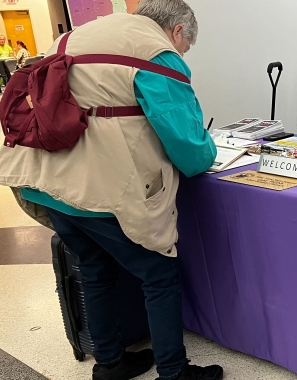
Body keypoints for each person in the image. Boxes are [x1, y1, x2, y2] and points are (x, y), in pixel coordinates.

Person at [0, 1, 224, 379]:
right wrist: (208, 155)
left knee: (94, 269)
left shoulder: (71, 37)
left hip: (46, 180)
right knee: (159, 273)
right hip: (101, 189)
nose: (182, 53)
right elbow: (187, 145)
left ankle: (110, 363)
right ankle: (174, 372)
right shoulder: (156, 52)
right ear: (179, 32)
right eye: (185, 47)